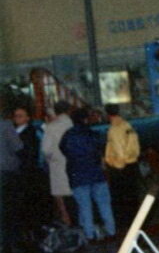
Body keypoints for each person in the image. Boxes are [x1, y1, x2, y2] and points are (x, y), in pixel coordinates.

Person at [59, 108, 116, 243]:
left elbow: (63, 150)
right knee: (104, 205)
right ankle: (111, 231)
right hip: (96, 173)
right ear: (85, 119)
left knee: (85, 207)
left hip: (77, 175)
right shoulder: (93, 134)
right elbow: (100, 149)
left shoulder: (67, 136)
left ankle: (89, 235)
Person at [10, 105, 51, 249]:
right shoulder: (16, 132)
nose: (17, 118)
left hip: (29, 174)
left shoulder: (30, 133)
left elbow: (29, 154)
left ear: (27, 118)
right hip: (24, 174)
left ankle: (34, 235)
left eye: (20, 116)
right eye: (16, 116)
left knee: (31, 205)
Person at [104, 103, 141, 233]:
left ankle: (125, 227)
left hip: (121, 167)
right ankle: (136, 225)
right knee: (133, 197)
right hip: (133, 163)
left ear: (107, 114)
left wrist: (117, 166)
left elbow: (119, 150)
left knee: (121, 200)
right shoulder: (128, 125)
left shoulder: (113, 129)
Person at [42, 100, 74, 226]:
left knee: (59, 194)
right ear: (69, 110)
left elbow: (45, 149)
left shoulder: (51, 127)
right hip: (74, 163)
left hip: (57, 163)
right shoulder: (73, 123)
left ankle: (66, 218)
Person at [1, 115, 23, 253]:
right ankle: (13, 243)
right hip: (6, 171)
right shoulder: (6, 125)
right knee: (10, 209)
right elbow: (18, 146)